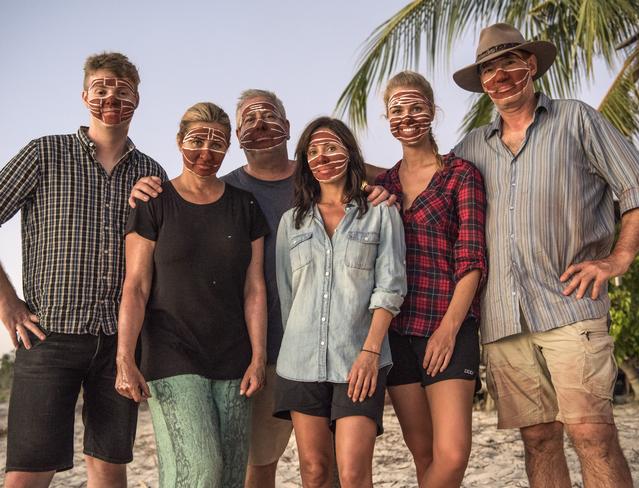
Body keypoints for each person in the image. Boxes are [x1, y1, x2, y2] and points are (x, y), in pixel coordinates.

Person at [128, 89, 395, 488]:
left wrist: (383, 185)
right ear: (238, 137)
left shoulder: (318, 175)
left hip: (342, 347)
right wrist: (148, 186)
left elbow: (379, 172)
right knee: (261, 465)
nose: (260, 127)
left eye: (269, 118)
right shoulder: (230, 190)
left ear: (287, 128)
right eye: (248, 122)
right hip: (266, 354)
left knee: (343, 470)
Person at [452, 23, 639, 488]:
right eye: (488, 69)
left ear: (531, 66)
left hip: (569, 307)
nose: (499, 75)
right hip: (504, 319)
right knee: (538, 438)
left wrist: (616, 260)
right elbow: (423, 183)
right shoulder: (470, 148)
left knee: (593, 434)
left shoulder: (577, 119)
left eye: (509, 63)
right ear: (481, 82)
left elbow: (638, 188)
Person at [0, 52, 166, 488]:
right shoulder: (43, 153)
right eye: (102, 87)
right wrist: (8, 302)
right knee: (26, 475)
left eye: (123, 89)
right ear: (85, 95)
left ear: (137, 99)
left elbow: (162, 260)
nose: (112, 96)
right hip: (48, 336)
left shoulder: (152, 173)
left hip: (119, 344)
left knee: (110, 469)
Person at [115, 101, 269, 487]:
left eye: (217, 143)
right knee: (199, 472)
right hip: (171, 354)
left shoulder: (244, 205)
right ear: (179, 140)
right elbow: (135, 285)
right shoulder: (153, 202)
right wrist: (124, 358)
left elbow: (254, 287)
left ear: (229, 147)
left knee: (230, 479)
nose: (206, 152)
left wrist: (259, 356)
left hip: (235, 357)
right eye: (197, 140)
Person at [273, 117, 407, 488]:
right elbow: (288, 294)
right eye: (313, 151)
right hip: (300, 363)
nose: (323, 157)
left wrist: (370, 352)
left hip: (359, 360)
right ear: (304, 162)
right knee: (314, 472)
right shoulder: (291, 223)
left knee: (352, 473)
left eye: (331, 147)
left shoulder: (381, 211)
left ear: (349, 152)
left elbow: (391, 287)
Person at [375, 71, 487, 488]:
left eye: (416, 107)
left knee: (453, 454)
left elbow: (473, 258)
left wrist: (449, 329)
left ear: (433, 112)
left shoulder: (461, 174)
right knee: (423, 455)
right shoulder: (381, 185)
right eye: (397, 110)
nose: (407, 117)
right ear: (387, 118)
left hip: (449, 326)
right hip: (398, 332)